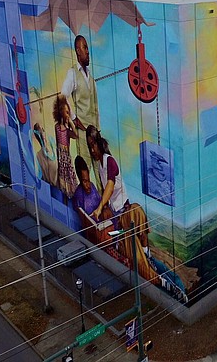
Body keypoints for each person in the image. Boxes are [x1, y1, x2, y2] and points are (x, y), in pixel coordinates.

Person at [85, 126, 188, 302]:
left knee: (141, 245)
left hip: (126, 215)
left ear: (98, 144)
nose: (92, 150)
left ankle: (154, 263)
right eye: (90, 146)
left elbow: (110, 186)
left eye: (93, 145)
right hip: (120, 220)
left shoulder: (109, 162)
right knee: (140, 260)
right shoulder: (100, 165)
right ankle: (162, 279)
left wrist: (101, 206)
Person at [61, 34, 102, 192]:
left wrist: (98, 130)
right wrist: (73, 118)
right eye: (84, 48)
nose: (88, 51)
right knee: (85, 170)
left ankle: (103, 204)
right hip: (82, 131)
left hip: (94, 132)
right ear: (78, 51)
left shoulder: (90, 76)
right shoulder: (73, 73)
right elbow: (63, 96)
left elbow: (95, 105)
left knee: (99, 168)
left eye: (87, 48)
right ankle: (89, 203)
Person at [53, 94, 79, 199]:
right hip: (61, 158)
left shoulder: (67, 131)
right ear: (61, 112)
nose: (68, 114)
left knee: (71, 179)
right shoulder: (57, 127)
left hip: (67, 158)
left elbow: (76, 135)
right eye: (66, 112)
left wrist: (71, 123)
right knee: (63, 182)